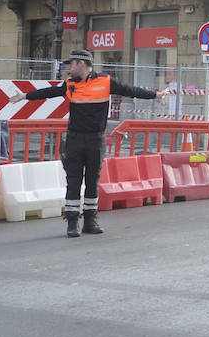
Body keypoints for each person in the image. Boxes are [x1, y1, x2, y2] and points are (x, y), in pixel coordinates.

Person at [10, 50, 170, 238]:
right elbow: (49, 92)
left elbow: (130, 90)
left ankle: (89, 221)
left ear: (82, 64)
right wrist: (25, 96)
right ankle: (71, 223)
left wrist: (156, 95)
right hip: (74, 138)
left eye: (72, 64)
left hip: (96, 139)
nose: (69, 68)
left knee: (93, 181)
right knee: (73, 180)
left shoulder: (105, 81)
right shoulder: (69, 84)